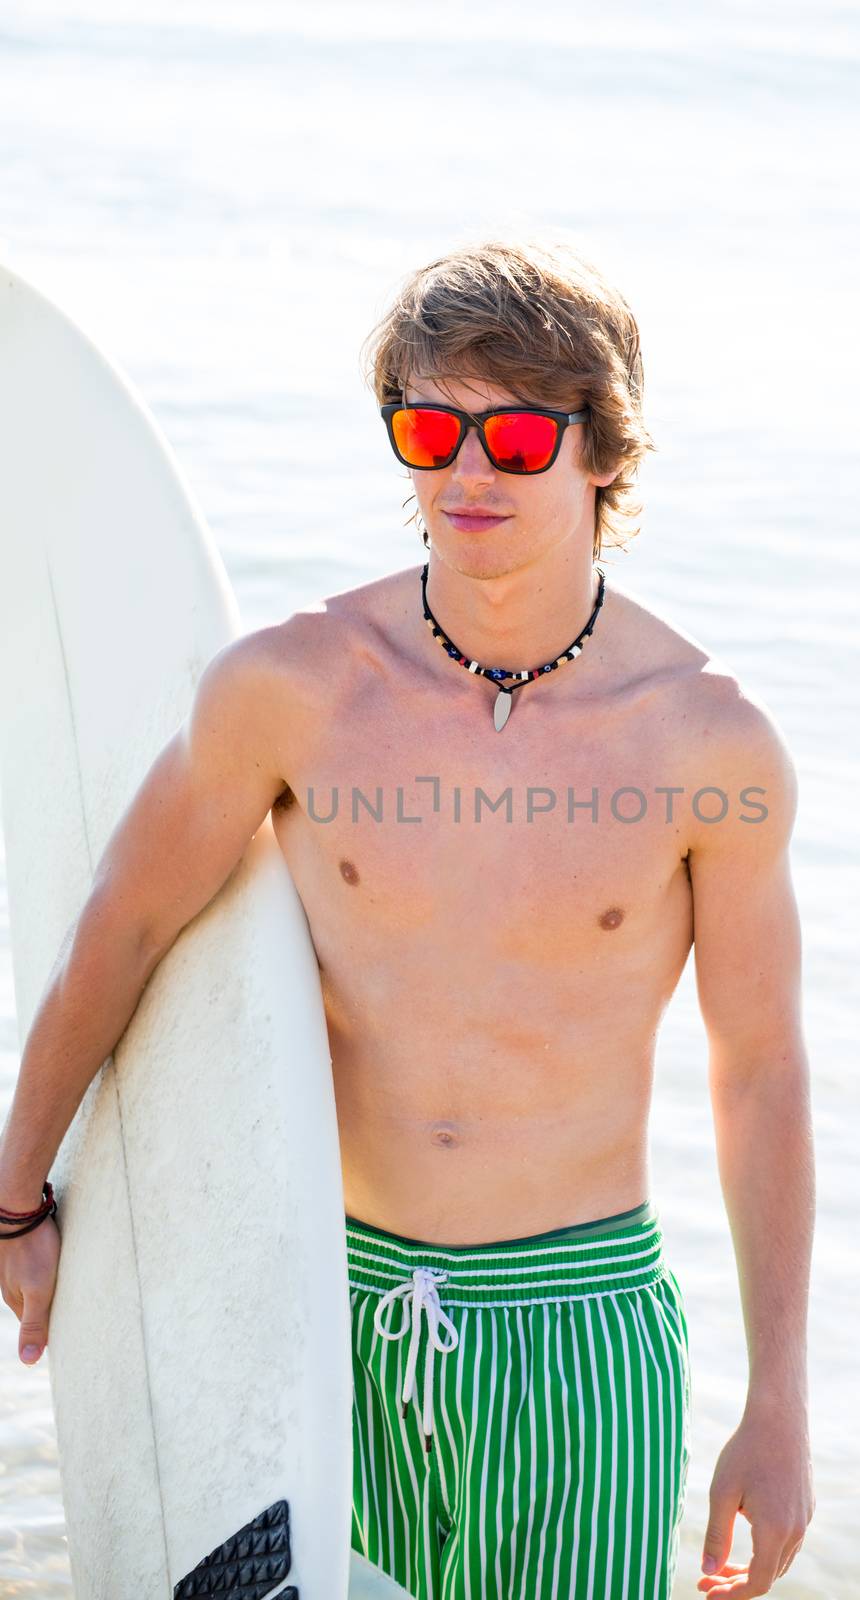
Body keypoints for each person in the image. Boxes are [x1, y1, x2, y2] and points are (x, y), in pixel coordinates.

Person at [0, 234, 815, 1598]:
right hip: (327, 1303)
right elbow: (119, 932)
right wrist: (15, 1195)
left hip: (582, 1326)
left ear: (603, 452)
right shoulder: (296, 688)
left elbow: (763, 1068)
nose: (466, 472)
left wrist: (779, 1404)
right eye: (430, 428)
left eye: (513, 437)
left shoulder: (706, 745)